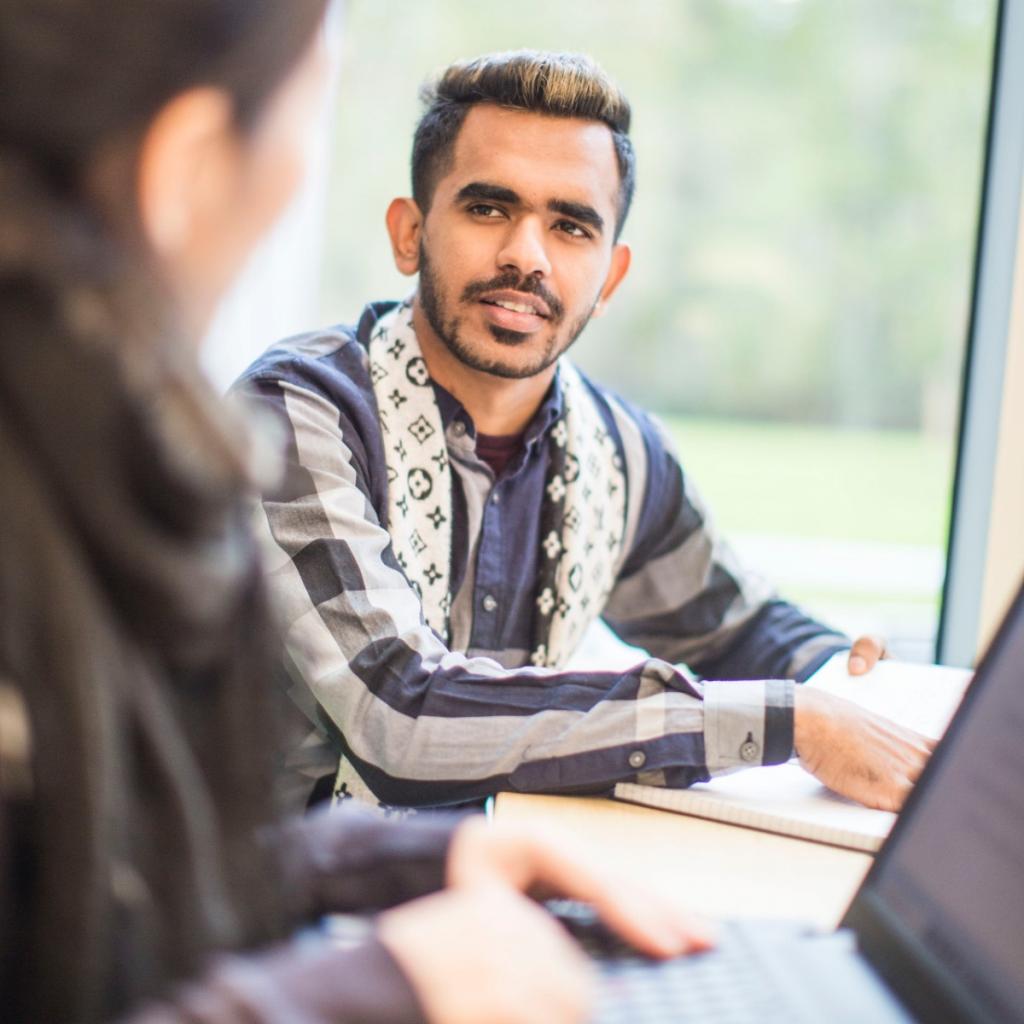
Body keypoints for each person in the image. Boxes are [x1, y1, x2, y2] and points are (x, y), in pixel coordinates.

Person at [0, 7, 711, 1023]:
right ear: (190, 167)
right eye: (296, 131)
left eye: (570, 223)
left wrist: (416, 854)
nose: (527, 254)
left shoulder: (85, 460)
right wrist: (391, 986)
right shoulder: (130, 477)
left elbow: (94, 886)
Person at [236, 50, 934, 814]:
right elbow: (400, 715)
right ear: (410, 234)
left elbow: (731, 627)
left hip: (479, 884)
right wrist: (786, 722)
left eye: (570, 226)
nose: (525, 256)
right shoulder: (294, 415)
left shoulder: (622, 452)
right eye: (488, 208)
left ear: (611, 278)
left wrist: (841, 677)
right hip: (246, 909)